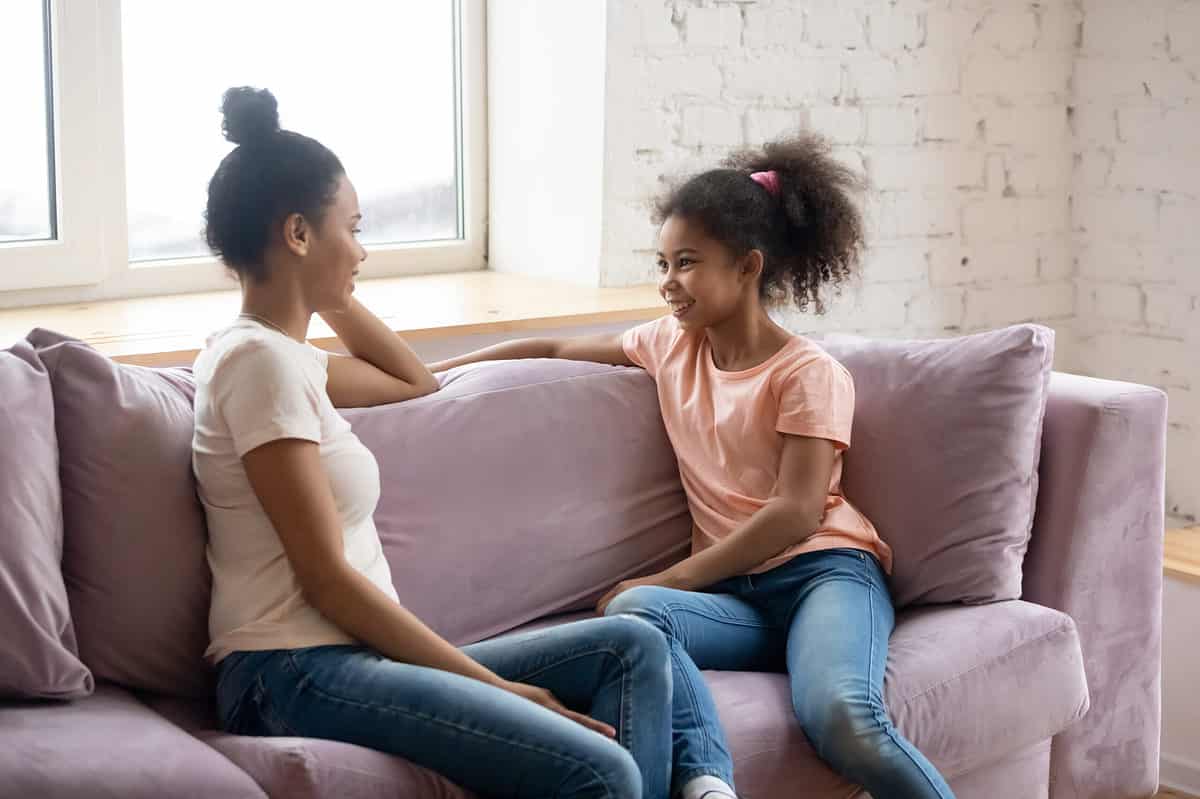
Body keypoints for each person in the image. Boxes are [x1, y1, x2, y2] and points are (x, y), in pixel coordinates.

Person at [427, 132, 957, 799]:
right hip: (737, 598)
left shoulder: (808, 374)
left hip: (823, 573)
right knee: (638, 612)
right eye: (663, 262)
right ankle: (709, 781)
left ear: (747, 268)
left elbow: (794, 513)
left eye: (686, 262)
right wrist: (435, 375)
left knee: (843, 716)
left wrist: (676, 572)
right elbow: (554, 344)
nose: (667, 283)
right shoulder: (668, 345)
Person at [193, 86, 673, 799]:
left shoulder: (287, 358)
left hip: (341, 656)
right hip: (291, 667)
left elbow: (412, 381)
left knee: (630, 646)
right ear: (296, 233)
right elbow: (325, 580)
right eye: (351, 229)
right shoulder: (257, 365)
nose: (362, 250)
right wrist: (495, 686)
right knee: (603, 773)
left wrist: (329, 285)